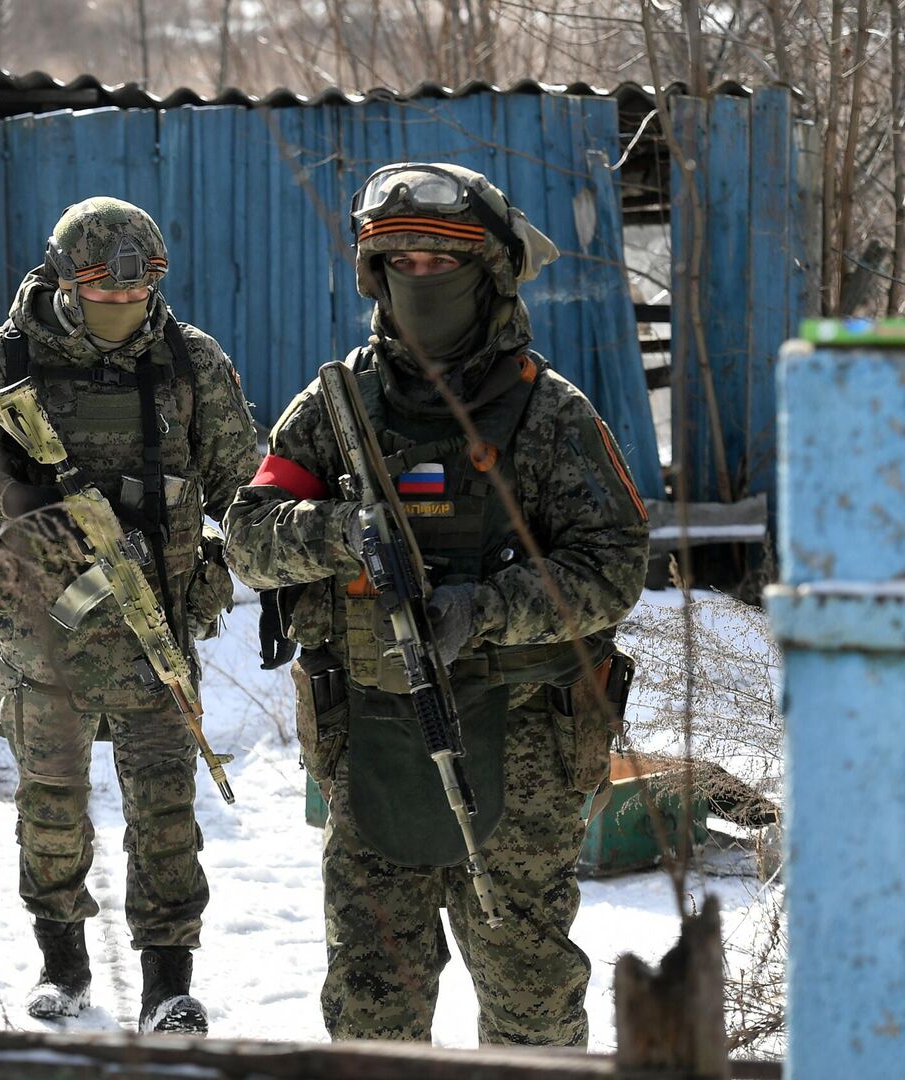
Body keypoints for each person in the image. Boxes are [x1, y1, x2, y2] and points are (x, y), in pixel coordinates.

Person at [221, 162, 650, 1045]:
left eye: (440, 259)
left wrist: (486, 608)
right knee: (373, 1011)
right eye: (398, 261)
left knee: (531, 1013)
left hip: (521, 747)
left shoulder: (549, 416)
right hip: (374, 745)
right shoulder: (337, 407)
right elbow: (247, 537)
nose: (420, 278)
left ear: (490, 270)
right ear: (373, 275)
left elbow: (613, 567)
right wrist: (344, 532)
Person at [0, 197, 257, 1034]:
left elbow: (247, 489)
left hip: (154, 631)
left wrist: (248, 569)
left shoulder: (190, 362)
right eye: (103, 297)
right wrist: (13, 495)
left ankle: (167, 984)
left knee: (166, 815)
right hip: (43, 635)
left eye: (135, 297)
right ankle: (62, 963)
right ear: (66, 283)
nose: (122, 310)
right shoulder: (2, 362)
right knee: (52, 807)